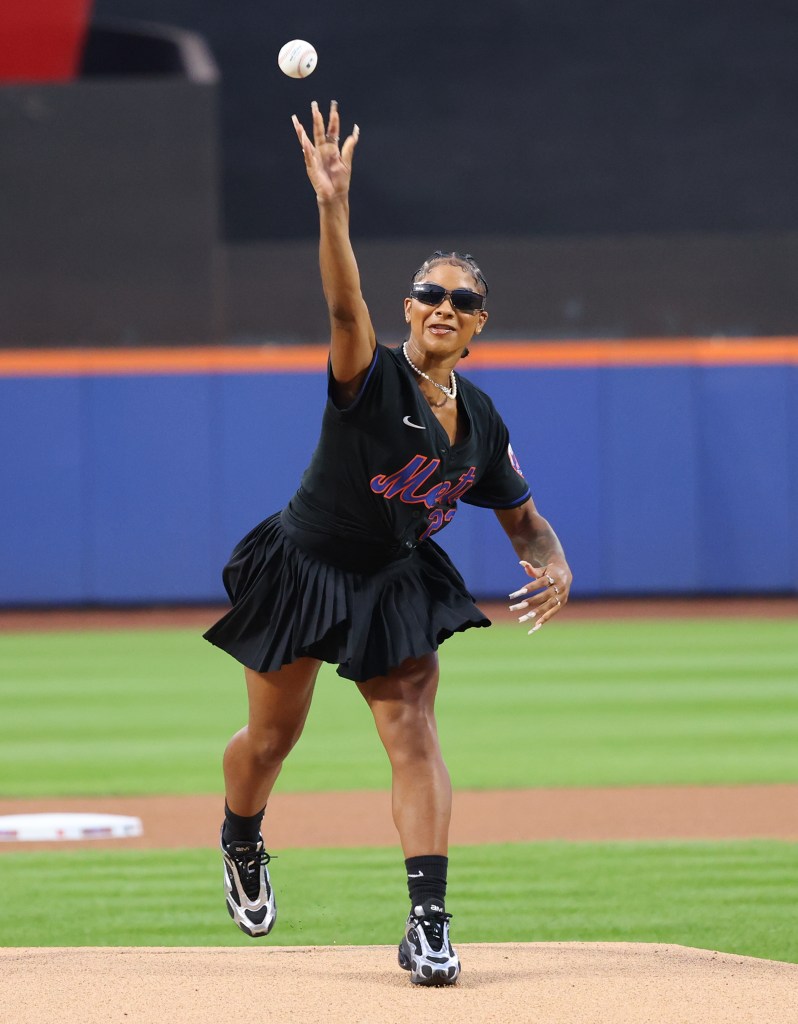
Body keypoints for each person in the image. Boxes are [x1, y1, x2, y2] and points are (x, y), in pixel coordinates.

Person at [203, 100, 572, 986]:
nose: (446, 305)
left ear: (481, 324)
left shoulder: (480, 423)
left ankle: (429, 921)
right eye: (432, 293)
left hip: (394, 578)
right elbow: (341, 303)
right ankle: (242, 837)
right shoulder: (370, 374)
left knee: (413, 731)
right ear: (409, 308)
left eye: (465, 299)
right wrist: (332, 208)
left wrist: (552, 561)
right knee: (270, 740)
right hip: (306, 564)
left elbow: (521, 518)